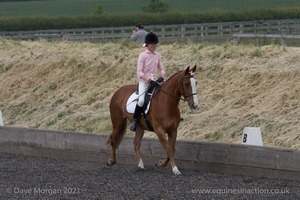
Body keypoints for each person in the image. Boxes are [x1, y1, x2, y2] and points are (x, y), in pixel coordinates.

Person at [130, 32, 165, 132]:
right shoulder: (143, 55)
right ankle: (135, 120)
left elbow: (161, 68)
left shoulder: (157, 55)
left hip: (155, 80)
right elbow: (139, 72)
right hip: (144, 82)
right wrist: (149, 80)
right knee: (141, 100)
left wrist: (161, 77)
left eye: (154, 44)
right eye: (151, 44)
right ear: (147, 44)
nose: (153, 46)